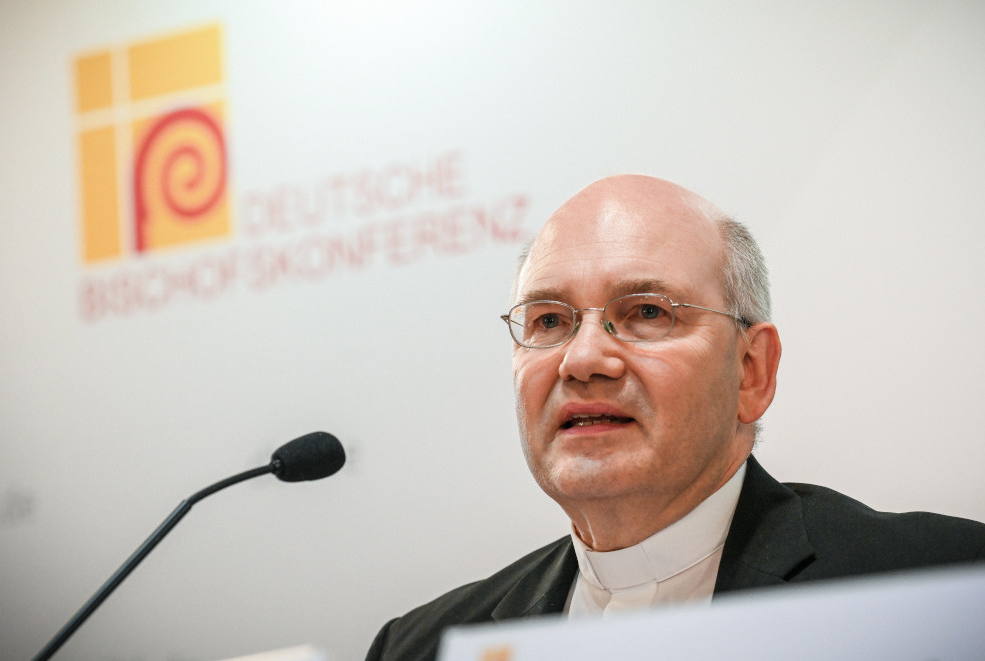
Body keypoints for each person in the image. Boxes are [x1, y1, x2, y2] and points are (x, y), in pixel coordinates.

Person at [364, 175, 985, 661]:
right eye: (548, 321)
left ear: (751, 372)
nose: (582, 360)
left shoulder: (942, 586)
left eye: (647, 313)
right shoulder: (422, 647)